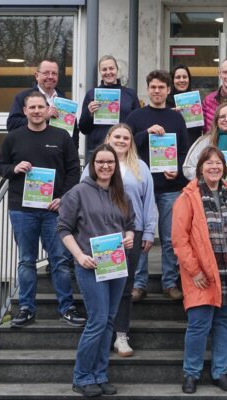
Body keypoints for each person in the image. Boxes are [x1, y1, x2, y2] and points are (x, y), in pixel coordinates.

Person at [0, 91, 86, 329]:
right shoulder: (14, 138)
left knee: (59, 260)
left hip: (54, 210)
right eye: (31, 107)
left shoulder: (62, 136)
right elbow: (0, 166)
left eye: (40, 107)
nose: (36, 111)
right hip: (22, 210)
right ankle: (26, 309)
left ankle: (66, 308)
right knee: (26, 260)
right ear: (24, 111)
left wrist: (63, 198)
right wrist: (14, 168)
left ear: (47, 109)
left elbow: (73, 170)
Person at [172, 147, 227, 394]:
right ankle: (191, 374)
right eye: (209, 164)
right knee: (198, 325)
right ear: (200, 168)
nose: (214, 167)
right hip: (201, 274)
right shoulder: (187, 197)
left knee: (224, 323)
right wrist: (195, 270)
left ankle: (221, 372)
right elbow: (179, 239)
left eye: (218, 163)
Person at [57, 144, 136, 397]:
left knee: (109, 321)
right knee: (98, 320)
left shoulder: (121, 194)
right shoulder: (78, 192)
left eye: (110, 163)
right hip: (90, 265)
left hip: (116, 263)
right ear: (93, 165)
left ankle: (100, 375)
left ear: (115, 166)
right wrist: (79, 256)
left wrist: (130, 237)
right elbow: (63, 229)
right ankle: (81, 377)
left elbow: (130, 224)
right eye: (100, 162)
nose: (105, 166)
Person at [80, 124, 156, 358]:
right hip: (100, 235)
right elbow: (82, 195)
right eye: (117, 136)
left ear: (131, 141)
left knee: (124, 287)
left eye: (126, 137)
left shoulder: (140, 166)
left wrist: (149, 231)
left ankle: (121, 335)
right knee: (101, 285)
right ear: (109, 138)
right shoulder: (95, 165)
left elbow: (149, 200)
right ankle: (102, 330)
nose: (121, 141)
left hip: (131, 234)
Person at [126, 70, 191, 302]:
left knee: (170, 237)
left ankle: (170, 282)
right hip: (141, 187)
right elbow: (124, 145)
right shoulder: (135, 117)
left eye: (161, 88)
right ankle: (139, 283)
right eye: (153, 87)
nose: (156, 91)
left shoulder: (177, 118)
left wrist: (179, 169)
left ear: (168, 90)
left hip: (169, 187)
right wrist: (145, 133)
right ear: (148, 89)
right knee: (140, 236)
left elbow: (185, 151)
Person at [78, 55, 141, 160]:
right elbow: (83, 129)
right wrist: (89, 114)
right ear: (100, 72)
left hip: (124, 150)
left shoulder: (130, 94)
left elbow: (138, 124)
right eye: (104, 69)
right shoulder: (92, 94)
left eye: (111, 68)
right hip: (98, 150)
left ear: (117, 69)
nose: (108, 72)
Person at [6, 59, 78, 148]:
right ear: (37, 75)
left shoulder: (65, 101)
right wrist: (44, 117)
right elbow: (12, 125)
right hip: (30, 152)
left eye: (54, 73)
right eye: (46, 73)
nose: (50, 77)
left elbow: (74, 133)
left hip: (58, 156)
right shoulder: (23, 97)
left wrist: (72, 155)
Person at [166, 64, 204, 145]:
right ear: (172, 80)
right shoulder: (165, 102)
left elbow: (199, 129)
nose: (182, 80)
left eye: (185, 77)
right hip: (172, 147)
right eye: (178, 77)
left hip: (191, 146)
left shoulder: (195, 100)